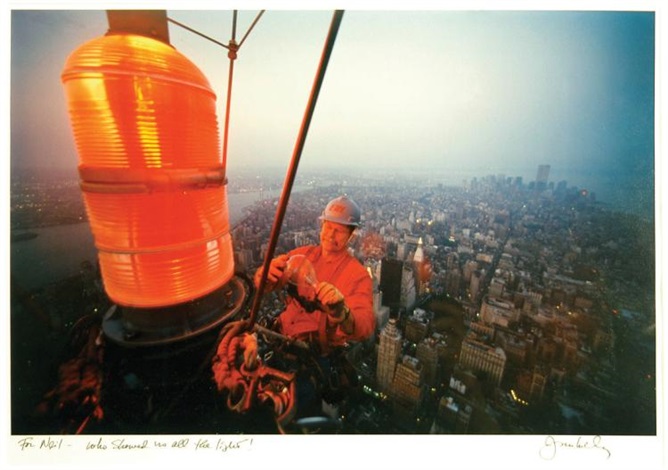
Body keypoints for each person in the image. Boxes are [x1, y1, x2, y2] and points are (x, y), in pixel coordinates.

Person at [253, 195, 375, 416]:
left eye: (339, 230)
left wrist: (342, 312)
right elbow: (266, 282)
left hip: (310, 361)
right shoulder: (304, 255)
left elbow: (365, 324)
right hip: (276, 343)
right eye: (328, 226)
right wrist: (264, 274)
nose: (330, 234)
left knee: (290, 416)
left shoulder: (357, 275)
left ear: (351, 235)